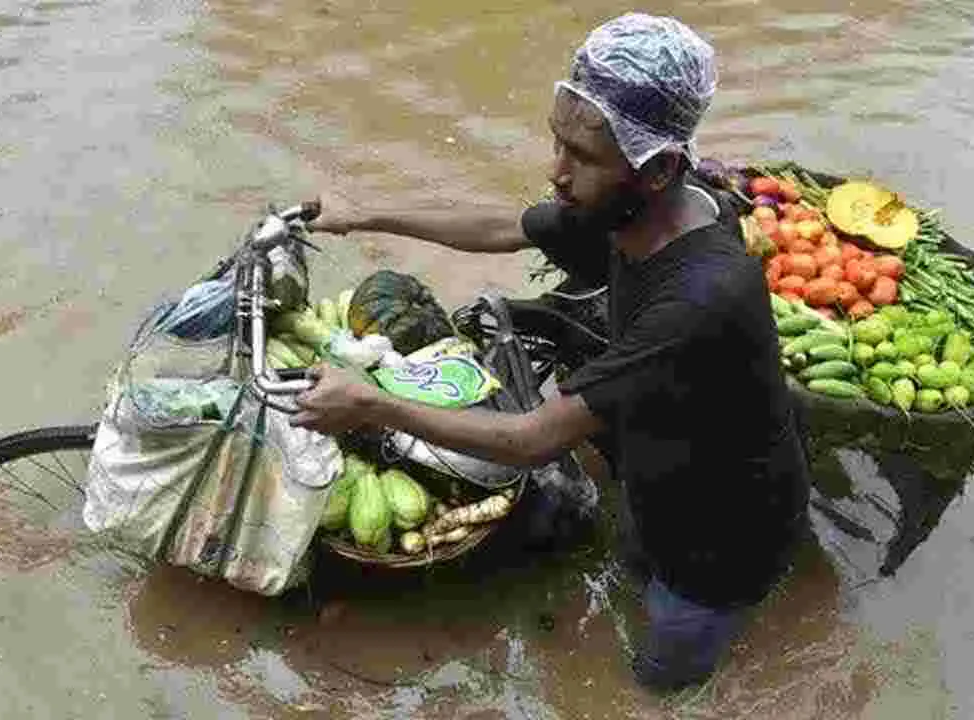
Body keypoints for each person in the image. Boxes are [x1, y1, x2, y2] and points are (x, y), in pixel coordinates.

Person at [292, 13, 809, 693]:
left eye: (583, 157)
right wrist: (365, 213)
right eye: (557, 143)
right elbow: (505, 228)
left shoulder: (697, 301)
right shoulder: (636, 209)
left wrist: (369, 403)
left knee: (662, 674)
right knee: (632, 565)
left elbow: (530, 439)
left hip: (725, 533)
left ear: (660, 170)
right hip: (659, 470)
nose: (556, 174)